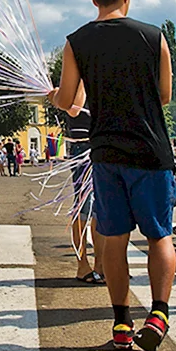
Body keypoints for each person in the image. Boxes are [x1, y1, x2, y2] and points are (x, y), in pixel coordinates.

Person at [48, 0, 175, 351]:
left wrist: (55, 95)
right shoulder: (155, 37)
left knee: (114, 239)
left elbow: (70, 101)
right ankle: (159, 313)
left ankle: (121, 321)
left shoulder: (77, 41)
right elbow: (166, 95)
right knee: (159, 235)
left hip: (106, 153)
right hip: (151, 150)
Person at [65, 104, 106, 285]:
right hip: (83, 147)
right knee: (84, 207)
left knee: (101, 209)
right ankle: (83, 265)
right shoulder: (79, 80)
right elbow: (72, 108)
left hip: (105, 144)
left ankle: (100, 265)